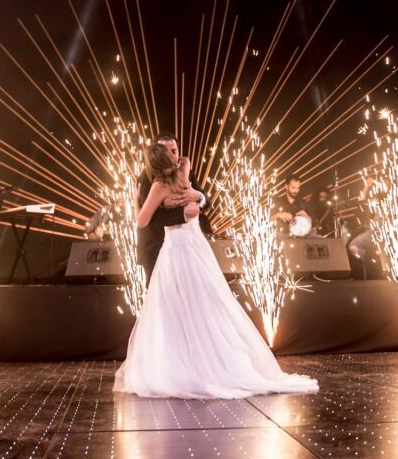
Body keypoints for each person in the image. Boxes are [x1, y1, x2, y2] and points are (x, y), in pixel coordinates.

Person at [114, 143, 318, 399]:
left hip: (177, 249)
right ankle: (207, 361)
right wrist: (188, 205)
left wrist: (138, 201)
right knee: (205, 302)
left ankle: (185, 365)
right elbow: (191, 199)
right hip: (196, 246)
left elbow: (142, 220)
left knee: (174, 306)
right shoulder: (182, 174)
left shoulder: (158, 185)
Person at [135, 132, 207, 283]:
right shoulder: (148, 178)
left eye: (174, 151)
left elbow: (141, 220)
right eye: (166, 152)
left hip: (183, 244)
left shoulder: (161, 184)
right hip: (156, 247)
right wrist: (184, 213)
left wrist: (199, 196)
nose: (171, 155)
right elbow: (154, 218)